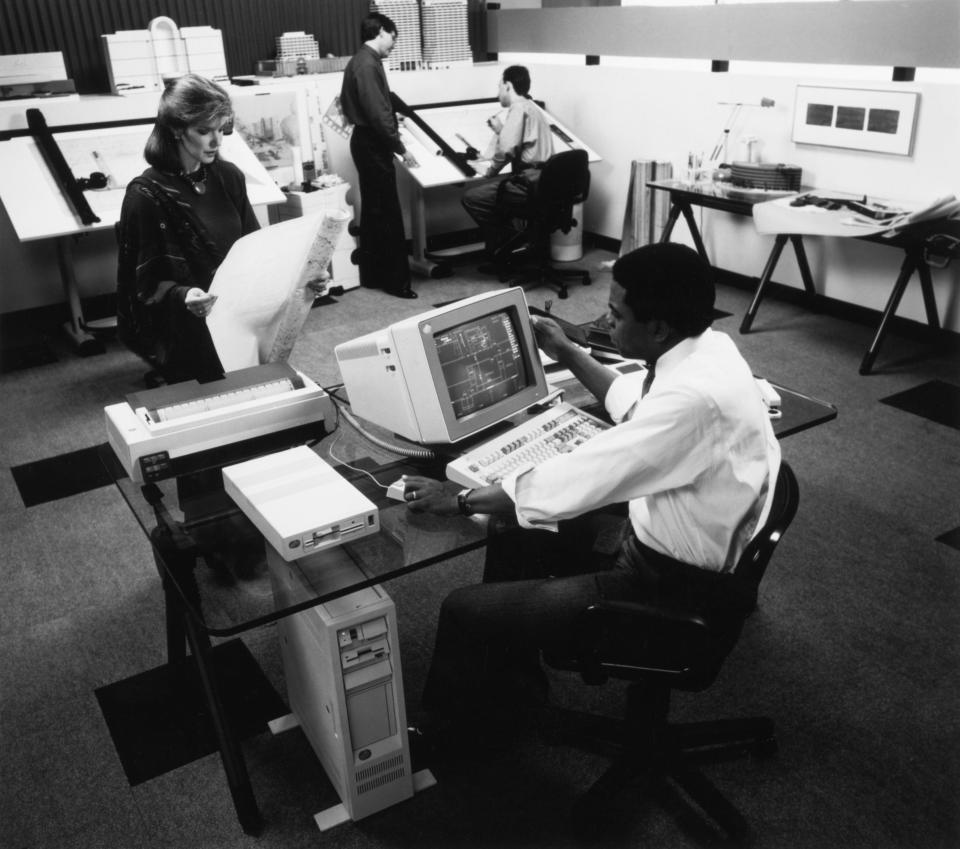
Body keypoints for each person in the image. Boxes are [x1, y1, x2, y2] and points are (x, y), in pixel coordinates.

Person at [400, 243, 782, 738]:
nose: (606, 320)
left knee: (463, 608)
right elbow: (636, 407)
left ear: (659, 328)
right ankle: (511, 689)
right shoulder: (708, 348)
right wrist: (566, 351)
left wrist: (457, 501)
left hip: (666, 588)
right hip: (695, 549)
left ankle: (448, 737)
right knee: (518, 534)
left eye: (616, 314)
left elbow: (574, 479)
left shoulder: (691, 401)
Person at [116, 73, 259, 385]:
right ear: (176, 129)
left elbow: (256, 246)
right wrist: (183, 296)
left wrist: (302, 277)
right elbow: (142, 284)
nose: (217, 141)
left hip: (238, 315)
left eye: (221, 129)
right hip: (188, 330)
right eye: (204, 131)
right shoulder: (146, 195)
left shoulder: (228, 177)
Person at [340, 12, 419, 299]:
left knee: (374, 211)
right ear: (382, 32)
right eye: (393, 37)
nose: (394, 44)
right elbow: (377, 113)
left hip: (365, 141)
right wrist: (401, 148)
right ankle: (397, 282)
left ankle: (374, 276)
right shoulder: (367, 64)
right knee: (387, 212)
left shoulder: (362, 61)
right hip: (373, 142)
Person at [461, 65, 554, 270]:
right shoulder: (532, 107)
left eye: (499, 87)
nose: (498, 93)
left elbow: (507, 149)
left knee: (472, 197)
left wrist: (489, 171)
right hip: (546, 181)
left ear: (508, 85)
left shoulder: (518, 108)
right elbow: (521, 142)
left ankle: (506, 246)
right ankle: (513, 244)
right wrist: (502, 131)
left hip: (530, 183)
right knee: (498, 198)